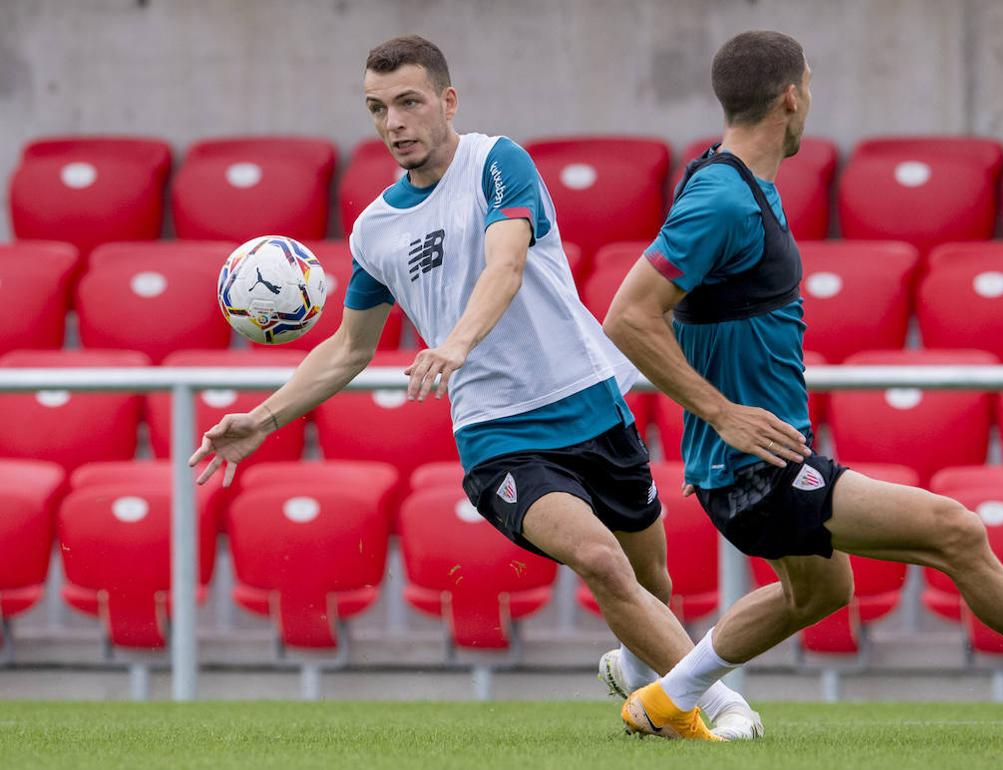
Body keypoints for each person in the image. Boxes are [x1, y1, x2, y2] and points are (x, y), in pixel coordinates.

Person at [603, 29, 1003, 739]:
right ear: (791, 96)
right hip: (756, 464)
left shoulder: (734, 183)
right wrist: (723, 414)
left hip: (764, 458)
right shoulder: (722, 198)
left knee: (818, 592)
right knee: (955, 530)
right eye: (808, 82)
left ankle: (662, 699)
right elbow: (627, 316)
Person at [188, 34, 756, 740]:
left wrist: (453, 342)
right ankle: (726, 711)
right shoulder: (375, 231)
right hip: (499, 435)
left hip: (592, 402)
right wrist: (265, 419)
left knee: (651, 582)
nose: (393, 122)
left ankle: (641, 679)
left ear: (446, 102)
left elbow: (506, 263)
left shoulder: (497, 163)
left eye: (408, 103)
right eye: (376, 109)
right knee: (601, 560)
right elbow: (348, 347)